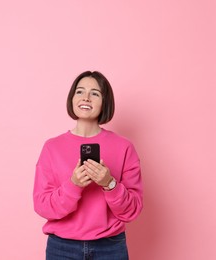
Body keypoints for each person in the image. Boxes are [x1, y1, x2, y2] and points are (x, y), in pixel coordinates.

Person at [33, 71, 143, 260]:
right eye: (80, 91)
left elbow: (132, 210)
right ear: (72, 98)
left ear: (105, 101)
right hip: (62, 247)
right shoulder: (52, 147)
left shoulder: (124, 147)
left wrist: (109, 184)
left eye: (95, 93)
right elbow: (43, 206)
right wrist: (74, 184)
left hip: (110, 247)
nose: (85, 97)